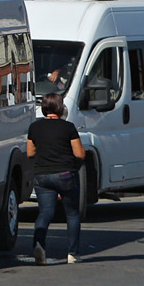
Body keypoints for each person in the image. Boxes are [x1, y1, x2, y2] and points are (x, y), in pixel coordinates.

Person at [27, 92, 86, 264]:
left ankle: (39, 245)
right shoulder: (68, 127)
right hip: (65, 174)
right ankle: (73, 254)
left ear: (44, 108)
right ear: (61, 108)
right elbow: (80, 153)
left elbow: (30, 153)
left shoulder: (34, 127)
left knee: (45, 213)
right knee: (72, 214)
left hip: (42, 176)